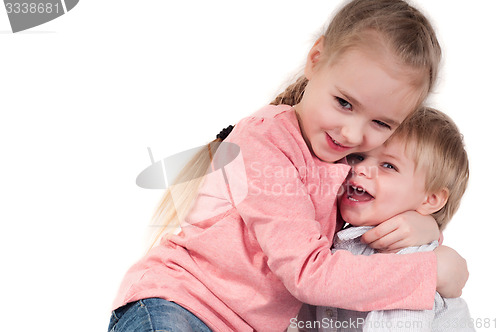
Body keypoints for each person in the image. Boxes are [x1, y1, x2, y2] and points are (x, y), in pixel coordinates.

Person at [108, 1, 468, 331]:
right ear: (315, 58)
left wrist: (424, 228)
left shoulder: (344, 158)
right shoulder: (264, 142)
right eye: (344, 102)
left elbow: (361, 235)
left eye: (381, 124)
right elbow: (309, 274)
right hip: (179, 306)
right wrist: (431, 271)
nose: (352, 133)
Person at [295, 107, 473, 332]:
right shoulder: (338, 238)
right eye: (358, 156)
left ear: (432, 199)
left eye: (388, 166)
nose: (359, 168)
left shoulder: (411, 261)